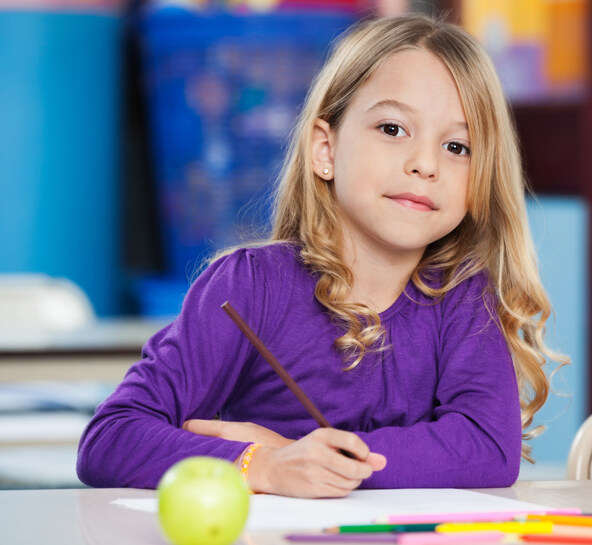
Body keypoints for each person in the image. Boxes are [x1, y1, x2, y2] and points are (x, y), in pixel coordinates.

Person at [77, 13, 564, 498]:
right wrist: (263, 466)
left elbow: (488, 448)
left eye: (458, 146)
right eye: (393, 129)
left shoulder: (464, 297)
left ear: (479, 184)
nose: (425, 164)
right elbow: (109, 439)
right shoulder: (248, 286)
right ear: (325, 150)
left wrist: (315, 458)